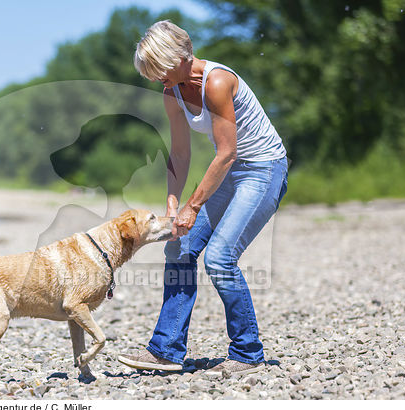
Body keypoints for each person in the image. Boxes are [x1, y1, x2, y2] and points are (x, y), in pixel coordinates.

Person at [117, 20, 288, 376]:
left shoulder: (218, 82)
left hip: (262, 170)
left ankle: (247, 353)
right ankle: (166, 351)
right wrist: (172, 205)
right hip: (228, 172)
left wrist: (194, 206)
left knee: (220, 258)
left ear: (180, 56)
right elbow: (180, 154)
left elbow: (226, 152)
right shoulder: (172, 91)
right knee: (178, 248)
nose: (154, 78)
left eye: (158, 69)